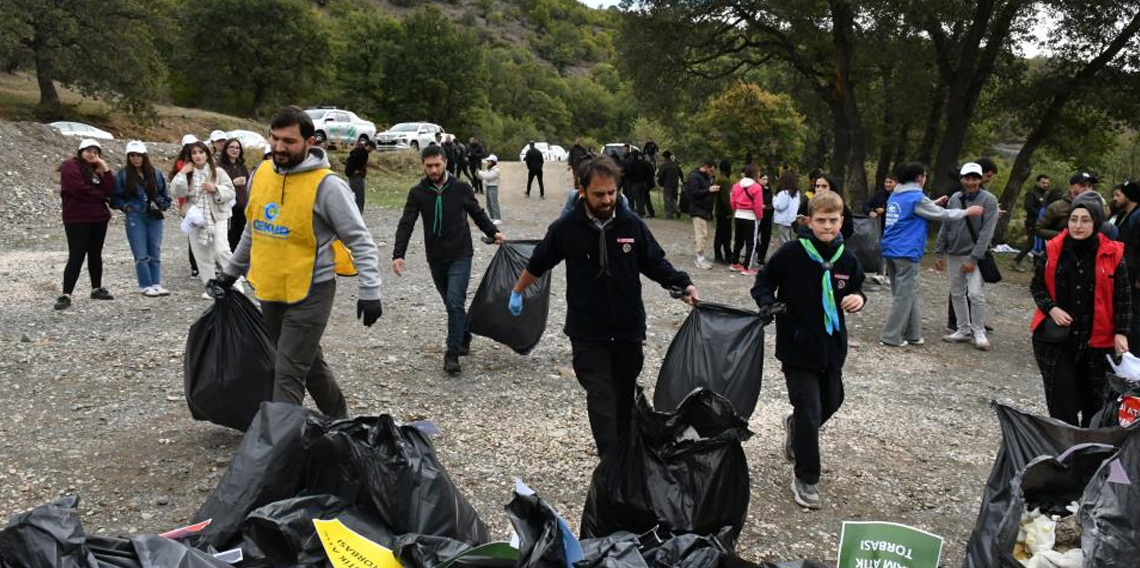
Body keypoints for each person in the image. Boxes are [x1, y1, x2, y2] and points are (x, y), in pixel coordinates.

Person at [508, 155, 698, 457]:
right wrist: (517, 291)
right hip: (587, 332)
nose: (607, 199)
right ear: (581, 191)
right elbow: (539, 261)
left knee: (623, 396)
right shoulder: (566, 228)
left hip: (628, 329)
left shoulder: (632, 224)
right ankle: (610, 465)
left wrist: (681, 283)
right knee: (600, 398)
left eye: (612, 192)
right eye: (599, 194)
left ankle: (623, 455)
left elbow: (653, 262)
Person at [212, 106, 382, 420]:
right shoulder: (261, 174)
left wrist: (370, 290)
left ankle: (278, 450)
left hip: (311, 292)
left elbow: (361, 241)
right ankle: (341, 421)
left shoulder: (328, 187)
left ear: (309, 142)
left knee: (287, 371)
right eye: (274, 138)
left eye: (288, 141)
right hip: (271, 289)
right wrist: (229, 274)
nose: (279, 147)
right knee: (307, 362)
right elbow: (253, 228)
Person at [751, 191, 865, 509]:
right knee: (810, 408)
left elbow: (857, 284)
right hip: (797, 346)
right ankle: (806, 478)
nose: (827, 226)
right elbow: (762, 282)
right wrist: (767, 303)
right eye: (821, 220)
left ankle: (797, 427)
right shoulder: (791, 253)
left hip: (831, 348)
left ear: (842, 221)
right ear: (808, 221)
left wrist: (859, 297)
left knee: (832, 400)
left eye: (833, 220)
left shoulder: (846, 257)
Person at [393, 145, 505, 375]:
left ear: (445, 162)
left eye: (437, 165)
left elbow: (477, 213)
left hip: (461, 255)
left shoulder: (461, 188)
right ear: (423, 166)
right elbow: (406, 223)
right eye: (429, 166)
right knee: (450, 303)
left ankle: (451, 355)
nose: (433, 170)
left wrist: (493, 233)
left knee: (455, 302)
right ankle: (464, 334)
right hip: (435, 257)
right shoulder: (417, 193)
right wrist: (398, 254)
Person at [1030, 200, 1130, 427]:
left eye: (1085, 220)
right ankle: (1064, 451)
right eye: (1074, 219)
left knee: (1095, 402)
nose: (1078, 225)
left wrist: (1121, 332)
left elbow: (1123, 297)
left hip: (1098, 340)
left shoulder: (1113, 254)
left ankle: (1088, 452)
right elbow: (1037, 286)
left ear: (1096, 223)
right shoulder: (1054, 248)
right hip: (1058, 339)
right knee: (1061, 401)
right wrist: (1051, 308)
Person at [880, 162, 983, 347]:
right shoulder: (916, 196)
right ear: (919, 177)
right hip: (906, 251)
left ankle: (913, 334)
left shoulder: (896, 194)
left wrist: (932, 203)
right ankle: (891, 337)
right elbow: (943, 215)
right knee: (903, 296)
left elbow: (911, 212)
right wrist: (967, 211)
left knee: (906, 293)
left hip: (890, 249)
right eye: (925, 175)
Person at [934, 163, 1000, 350]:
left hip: (974, 255)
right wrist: (939, 252)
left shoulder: (989, 200)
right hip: (954, 252)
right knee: (956, 292)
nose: (970, 182)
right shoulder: (955, 197)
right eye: (967, 178)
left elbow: (987, 233)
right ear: (961, 179)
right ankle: (963, 329)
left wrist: (973, 258)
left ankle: (979, 331)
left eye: (974, 178)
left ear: (980, 179)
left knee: (975, 293)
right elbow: (946, 223)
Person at [170, 141, 238, 298]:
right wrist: (181, 174)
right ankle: (211, 286)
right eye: (194, 153)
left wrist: (216, 189)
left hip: (217, 216)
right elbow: (176, 192)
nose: (198, 155)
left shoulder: (218, 172)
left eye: (201, 152)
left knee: (221, 249)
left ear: (207, 154)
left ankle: (234, 282)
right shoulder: (187, 174)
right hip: (196, 217)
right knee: (202, 254)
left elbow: (230, 191)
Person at [55, 138, 115, 310]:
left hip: (98, 218)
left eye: (96, 152)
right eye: (88, 151)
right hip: (77, 219)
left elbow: (110, 190)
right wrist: (101, 195)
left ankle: (96, 288)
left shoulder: (96, 171)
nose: (92, 154)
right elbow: (78, 189)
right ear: (80, 151)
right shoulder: (70, 166)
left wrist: (106, 169)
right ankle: (66, 294)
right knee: (77, 255)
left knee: (95, 254)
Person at [112, 140, 172, 297]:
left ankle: (156, 282)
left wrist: (162, 204)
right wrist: (125, 207)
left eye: (139, 155)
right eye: (132, 155)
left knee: (155, 250)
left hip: (154, 215)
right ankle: (145, 284)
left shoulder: (156, 173)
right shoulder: (123, 175)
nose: (135, 158)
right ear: (128, 157)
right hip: (135, 215)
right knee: (140, 252)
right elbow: (115, 197)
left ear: (144, 156)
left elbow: (165, 194)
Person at [1038, 172, 1097, 240]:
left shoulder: (1096, 206)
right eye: (1082, 185)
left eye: (1090, 186)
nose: (1087, 189)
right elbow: (1039, 229)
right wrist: (1064, 236)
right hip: (1063, 247)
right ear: (1072, 188)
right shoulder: (1057, 207)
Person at [174, 134, 201, 278]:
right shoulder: (181, 164)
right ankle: (195, 266)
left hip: (200, 203)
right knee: (192, 235)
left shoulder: (199, 163)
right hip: (188, 205)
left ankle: (202, 264)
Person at [685, 159, 720, 269]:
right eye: (711, 170)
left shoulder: (707, 177)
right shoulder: (694, 177)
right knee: (701, 234)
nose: (712, 172)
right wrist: (709, 190)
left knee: (705, 235)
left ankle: (701, 256)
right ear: (705, 166)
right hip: (697, 209)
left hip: (706, 210)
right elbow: (694, 193)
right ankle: (699, 258)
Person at [730, 165, 765, 274]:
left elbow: (732, 201)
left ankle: (734, 263)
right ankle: (747, 267)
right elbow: (758, 205)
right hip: (750, 216)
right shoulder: (757, 187)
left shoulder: (736, 185)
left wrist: (736, 210)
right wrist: (759, 217)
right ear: (755, 174)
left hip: (738, 215)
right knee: (751, 242)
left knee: (738, 240)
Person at [1012, 175, 1051, 271]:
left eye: (1047, 183)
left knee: (1039, 244)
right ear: (1038, 182)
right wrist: (1041, 214)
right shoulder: (1032, 193)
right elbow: (1028, 207)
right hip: (1032, 222)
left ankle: (1036, 265)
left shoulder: (1046, 194)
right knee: (1031, 243)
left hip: (1041, 223)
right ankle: (1015, 261)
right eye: (1043, 182)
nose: (1045, 185)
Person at [218, 138, 251, 252]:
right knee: (229, 237)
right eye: (231, 147)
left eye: (237, 148)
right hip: (228, 208)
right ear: (226, 149)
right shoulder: (220, 166)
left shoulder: (241, 165)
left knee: (241, 236)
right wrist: (233, 182)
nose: (234, 150)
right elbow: (216, 186)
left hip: (242, 206)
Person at [809, 174, 854, 240]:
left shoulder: (840, 206)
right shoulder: (808, 204)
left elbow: (848, 228)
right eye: (817, 186)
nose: (820, 189)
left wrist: (833, 237)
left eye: (824, 186)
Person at [772, 171, 801, 251]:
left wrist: (774, 198)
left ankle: (786, 257)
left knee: (784, 241)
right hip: (792, 219)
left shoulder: (784, 193)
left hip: (783, 220)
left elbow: (779, 206)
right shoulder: (796, 192)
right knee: (789, 239)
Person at [712, 160, 734, 264]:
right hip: (724, 212)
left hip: (718, 210)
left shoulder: (718, 178)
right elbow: (726, 199)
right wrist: (730, 212)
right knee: (726, 234)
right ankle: (727, 255)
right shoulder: (725, 180)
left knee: (719, 233)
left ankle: (718, 254)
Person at [344, 138, 374, 214]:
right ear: (368, 146)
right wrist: (357, 171)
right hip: (356, 177)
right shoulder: (363, 153)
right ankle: (358, 212)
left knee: (351, 194)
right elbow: (356, 163)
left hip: (351, 176)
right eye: (371, 148)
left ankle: (350, 211)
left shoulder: (356, 151)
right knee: (359, 196)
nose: (371, 151)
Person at [626, 150, 656, 218]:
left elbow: (630, 173)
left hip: (635, 183)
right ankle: (651, 212)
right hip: (644, 183)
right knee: (646, 198)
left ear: (632, 156)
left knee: (638, 198)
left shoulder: (632, 163)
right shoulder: (644, 163)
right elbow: (649, 172)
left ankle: (641, 212)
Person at [656, 151, 684, 219]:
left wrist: (660, 183)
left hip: (667, 184)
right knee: (673, 198)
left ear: (664, 157)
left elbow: (660, 175)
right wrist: (682, 180)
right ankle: (677, 209)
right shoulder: (675, 164)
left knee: (667, 199)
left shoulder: (664, 165)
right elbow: (681, 173)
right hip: (675, 184)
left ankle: (668, 214)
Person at [476, 154, 502, 224]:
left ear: (493, 162)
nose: (488, 162)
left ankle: (498, 218)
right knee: (489, 203)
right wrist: (477, 173)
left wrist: (480, 172)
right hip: (487, 186)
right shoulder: (489, 169)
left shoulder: (496, 170)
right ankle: (492, 217)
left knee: (494, 202)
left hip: (493, 187)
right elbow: (483, 176)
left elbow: (488, 176)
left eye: (489, 161)